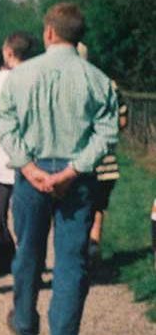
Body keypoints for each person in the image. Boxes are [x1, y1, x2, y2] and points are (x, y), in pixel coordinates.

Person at [0, 3, 118, 335]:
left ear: (49, 32)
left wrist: (27, 167)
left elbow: (6, 127)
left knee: (28, 253)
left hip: (32, 175)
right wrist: (72, 170)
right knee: (71, 260)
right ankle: (63, 330)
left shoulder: (19, 76)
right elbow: (106, 134)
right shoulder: (98, 80)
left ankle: (23, 321)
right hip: (76, 180)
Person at [0, 32, 37, 277]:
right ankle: (29, 258)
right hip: (33, 157)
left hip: (0, 157)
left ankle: (4, 260)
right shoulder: (39, 78)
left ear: (8, 52)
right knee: (29, 215)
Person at [76, 43, 128, 267]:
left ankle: (80, 250)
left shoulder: (69, 84)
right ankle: (94, 242)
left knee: (78, 206)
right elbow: (122, 120)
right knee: (99, 206)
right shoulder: (108, 83)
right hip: (106, 160)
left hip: (78, 159)